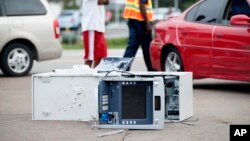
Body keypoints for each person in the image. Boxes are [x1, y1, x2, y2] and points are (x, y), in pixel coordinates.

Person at [123, 0, 155, 71]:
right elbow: (141, 5)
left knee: (132, 47)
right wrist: (147, 23)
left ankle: (123, 69)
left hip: (133, 18)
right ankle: (152, 71)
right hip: (141, 21)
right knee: (147, 47)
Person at [81, 0, 109, 68]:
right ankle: (87, 76)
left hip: (99, 27)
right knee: (90, 58)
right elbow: (101, 1)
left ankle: (93, 73)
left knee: (102, 56)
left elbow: (107, 2)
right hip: (91, 27)